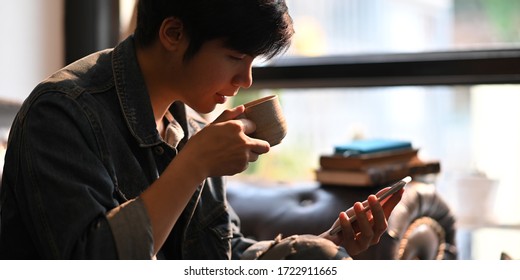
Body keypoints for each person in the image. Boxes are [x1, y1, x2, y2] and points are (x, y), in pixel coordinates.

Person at [0, 0, 403, 259]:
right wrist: (191, 167)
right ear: (173, 34)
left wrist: (326, 243)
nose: (245, 79)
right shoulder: (62, 114)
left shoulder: (191, 125)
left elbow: (221, 256)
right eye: (234, 57)